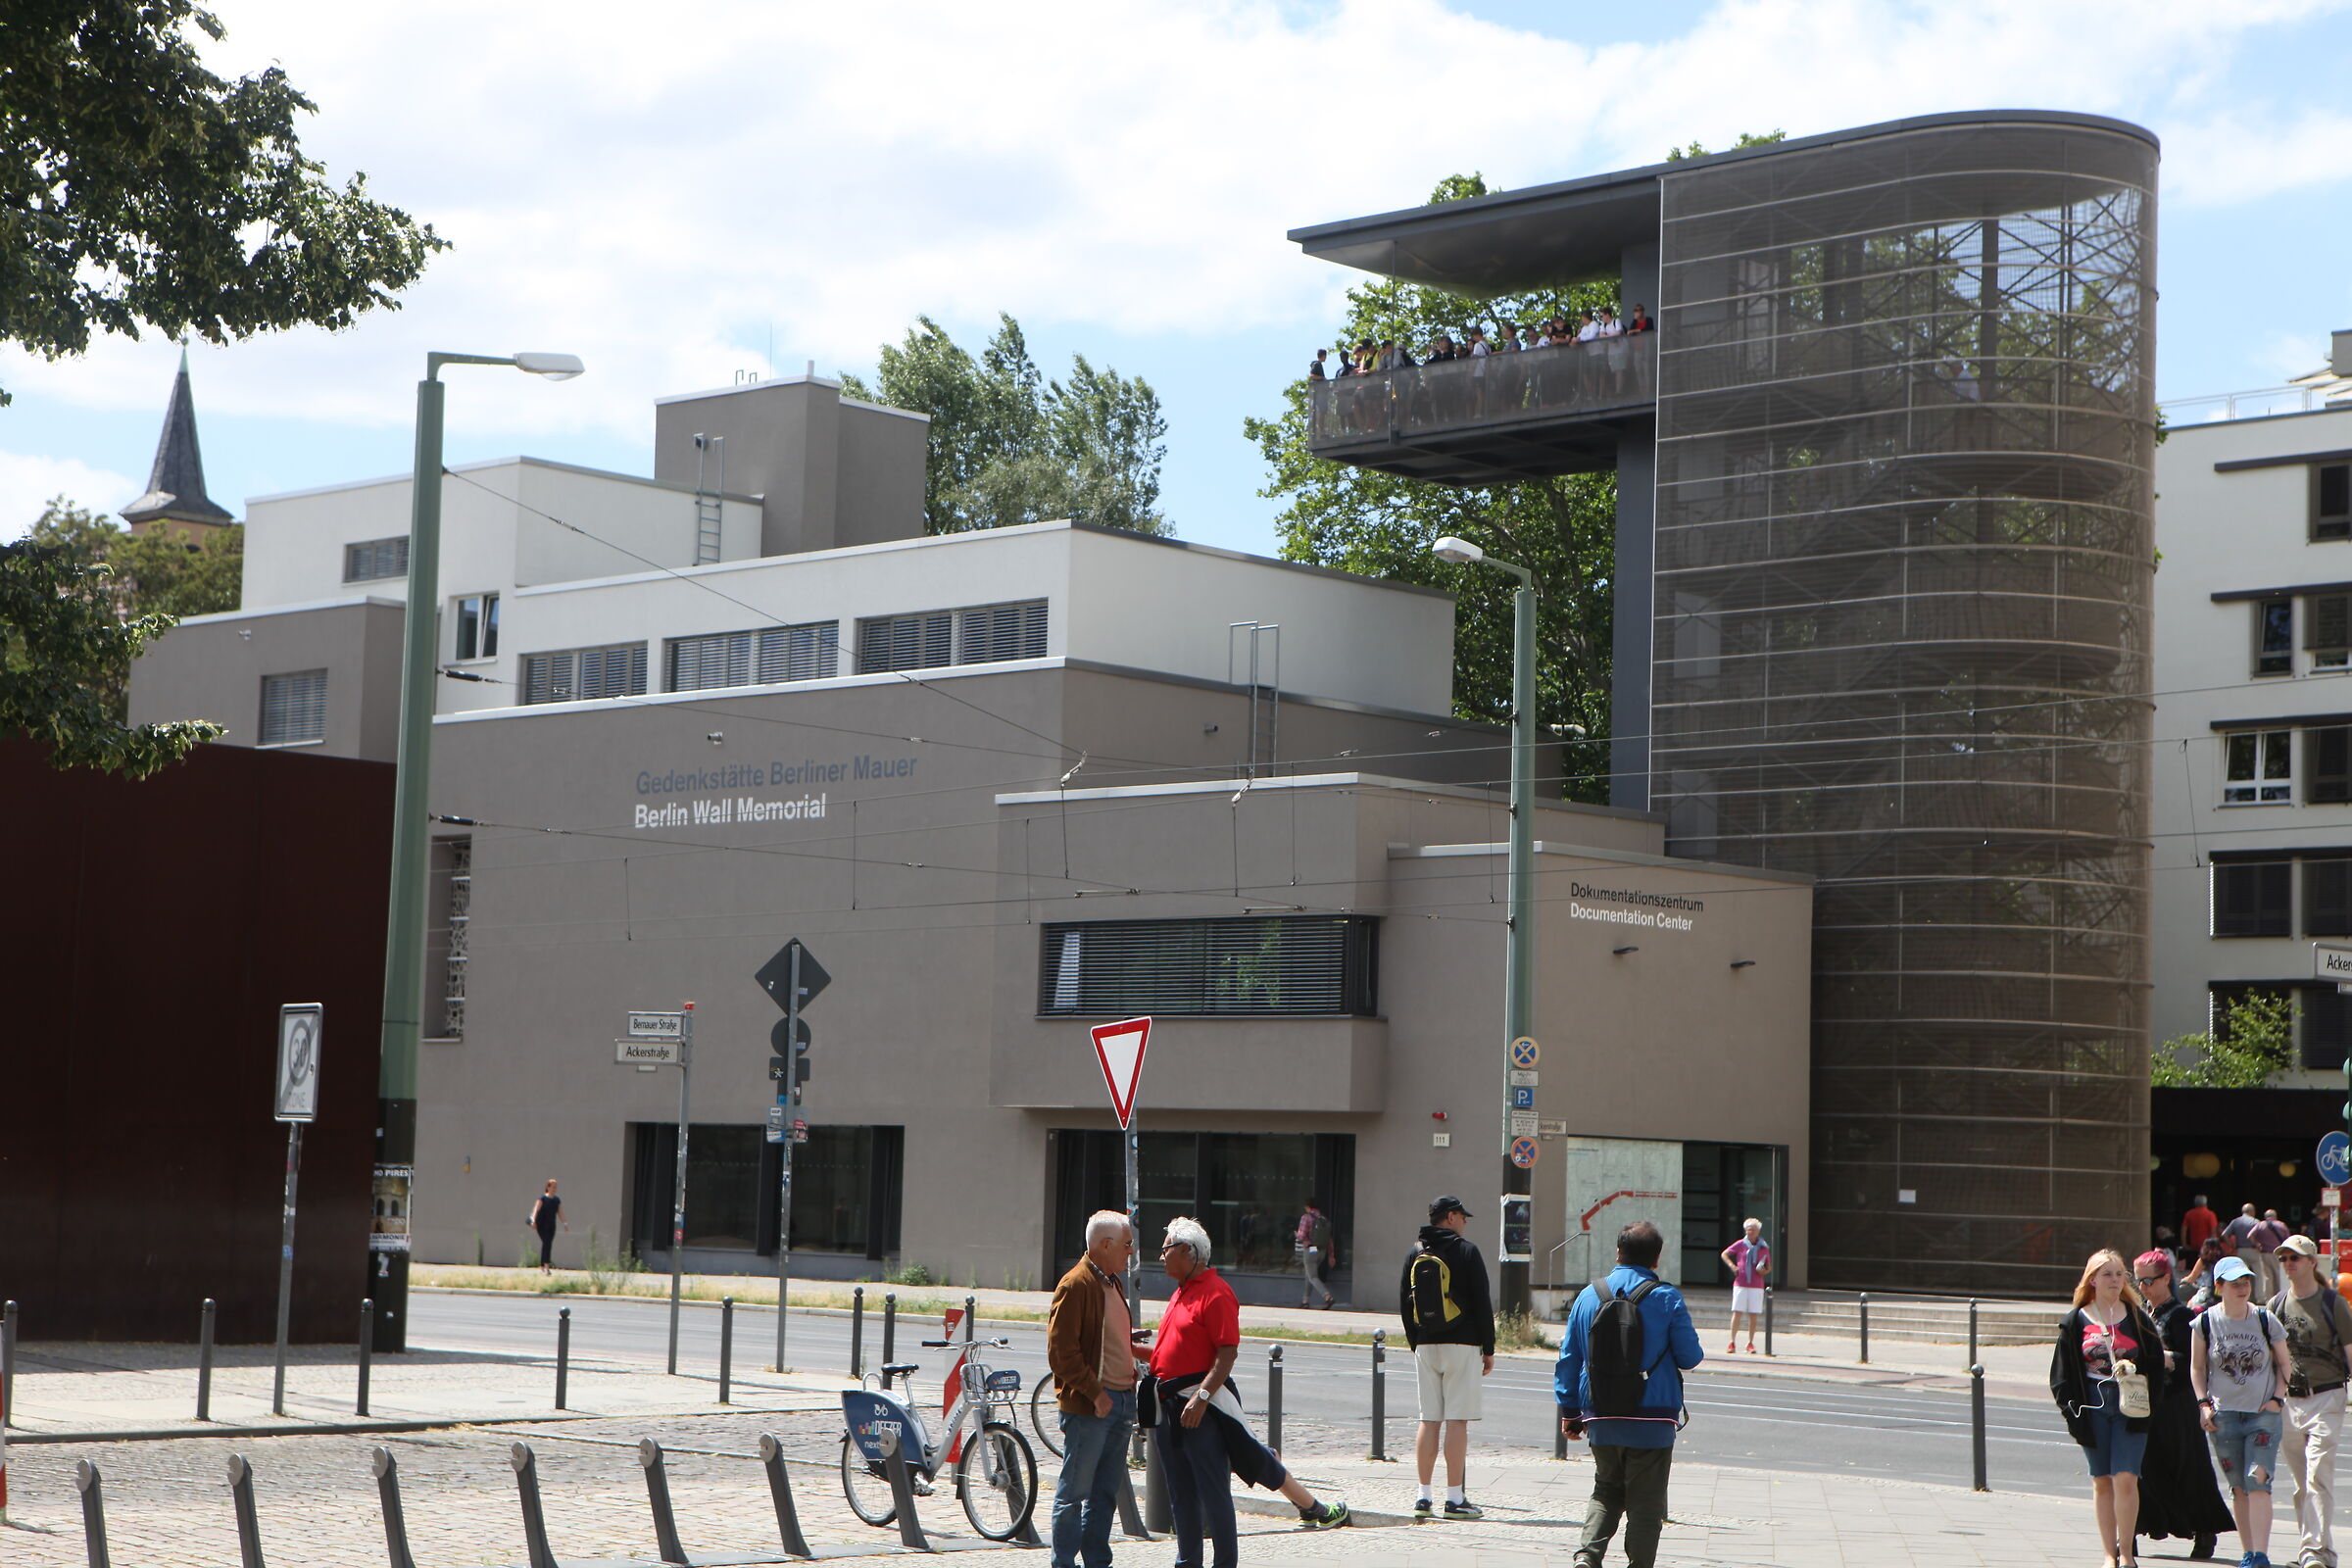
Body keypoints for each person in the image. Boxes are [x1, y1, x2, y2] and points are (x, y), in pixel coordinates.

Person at [1148, 1216, 1348, 1564]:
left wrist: (1202, 1397)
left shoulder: (1216, 1292)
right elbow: (1173, 1355)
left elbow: (1227, 1353)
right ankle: (1188, 1561)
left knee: (1213, 1494)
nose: (1161, 1256)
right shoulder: (1181, 1291)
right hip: (1169, 1408)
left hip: (1201, 1410)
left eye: (1166, 1248)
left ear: (1187, 1251)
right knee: (1180, 1493)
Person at [1554, 1221, 1703, 1568]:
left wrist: (1570, 1411)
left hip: (1601, 1414)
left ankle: (1586, 1559)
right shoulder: (1666, 1297)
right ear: (1657, 1259)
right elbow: (1690, 1357)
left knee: (1606, 1489)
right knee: (1646, 1504)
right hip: (1653, 1417)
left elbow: (1568, 1358)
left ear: (1618, 1252)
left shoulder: (1589, 1296)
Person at [2052, 1248, 2170, 1568]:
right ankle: (2108, 1554)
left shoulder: (2137, 1318)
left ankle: (2128, 1554)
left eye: (2119, 1274)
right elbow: (2061, 1377)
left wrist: (2149, 1405)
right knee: (2102, 1479)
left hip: (2131, 1406)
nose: (2115, 1280)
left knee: (2126, 1477)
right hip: (2092, 1404)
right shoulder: (2076, 1321)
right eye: (2107, 1274)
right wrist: (2073, 1413)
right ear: (2092, 1280)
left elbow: (2157, 1366)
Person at [1048, 1211, 1149, 1568]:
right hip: (1093, 1407)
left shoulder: (1112, 1281)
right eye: (1126, 1244)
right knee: (1074, 1493)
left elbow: (1102, 1337)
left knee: (1105, 1494)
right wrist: (1095, 1393)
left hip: (1121, 1401)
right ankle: (1063, 1562)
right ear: (1105, 1245)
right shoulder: (1076, 1285)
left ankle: (1096, 1562)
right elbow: (1061, 1354)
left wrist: (1130, 1348)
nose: (1131, 1251)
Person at [2192, 1256, 2292, 1568]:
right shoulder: (2205, 1322)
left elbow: (2285, 1363)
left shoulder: (2264, 1319)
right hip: (2223, 1415)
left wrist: (2277, 1398)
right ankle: (2248, 1552)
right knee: (2238, 1487)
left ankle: (2261, 1554)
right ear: (2218, 1286)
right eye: (2235, 1283)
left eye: (2246, 1282)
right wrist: (2203, 1404)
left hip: (2262, 1413)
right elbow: (2197, 1369)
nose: (2242, 1288)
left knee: (2258, 1479)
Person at [2132, 1250, 2232, 1560]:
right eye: (2139, 1281)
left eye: (2150, 1280)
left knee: (2187, 1467)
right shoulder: (2143, 1313)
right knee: (2142, 1468)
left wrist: (2161, 1359)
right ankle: (2132, 1530)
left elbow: (2194, 1362)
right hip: (2146, 1402)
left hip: (2177, 1405)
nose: (2144, 1287)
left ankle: (2205, 1531)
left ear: (2166, 1278)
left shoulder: (2181, 1315)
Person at [1399, 1196, 1495, 1517]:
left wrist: (1417, 1341)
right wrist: (1488, 1347)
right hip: (1463, 1344)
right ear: (1451, 1217)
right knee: (1457, 1420)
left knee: (1429, 1419)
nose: (1466, 1222)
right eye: (1463, 1216)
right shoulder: (1467, 1251)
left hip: (1426, 1344)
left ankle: (1423, 1496)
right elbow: (1482, 1301)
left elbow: (1403, 1301)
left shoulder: (1415, 1251)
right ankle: (1454, 1498)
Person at [2272, 1235, 2351, 1568]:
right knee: (2302, 1482)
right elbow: (2271, 1358)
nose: (2289, 1263)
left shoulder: (2334, 1303)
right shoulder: (2275, 1305)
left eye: (2296, 1257)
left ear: (2311, 1262)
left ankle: (2313, 1551)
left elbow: (2350, 1352)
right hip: (2290, 1401)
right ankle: (2320, 1552)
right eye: (2284, 1258)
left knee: (2319, 1474)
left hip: (2327, 1395)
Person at [1718, 1218, 1770, 1353]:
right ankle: (1732, 1342)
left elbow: (1768, 1267)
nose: (1750, 1232)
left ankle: (1750, 1343)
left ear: (1758, 1231)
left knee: (1753, 1314)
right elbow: (1725, 1254)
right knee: (1737, 1312)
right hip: (1740, 1283)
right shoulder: (1740, 1244)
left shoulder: (1764, 1247)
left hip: (1757, 1284)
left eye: (1753, 1230)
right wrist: (1732, 1266)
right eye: (1748, 1230)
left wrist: (1763, 1271)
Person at [1295, 1200, 1336, 1309]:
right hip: (1322, 1251)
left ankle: (1328, 1297)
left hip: (1311, 1249)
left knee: (1312, 1276)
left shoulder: (1306, 1217)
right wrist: (1331, 1255)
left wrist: (1296, 1234)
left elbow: (1302, 1236)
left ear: (1308, 1207)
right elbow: (1329, 1239)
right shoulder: (1323, 1219)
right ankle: (1305, 1300)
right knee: (1309, 1275)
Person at [527, 1178, 566, 1274]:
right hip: (541, 1224)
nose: (554, 1189)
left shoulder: (557, 1200)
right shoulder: (542, 1199)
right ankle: (546, 1267)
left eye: (555, 1187)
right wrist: (532, 1221)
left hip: (551, 1225)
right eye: (553, 1187)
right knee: (547, 1243)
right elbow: (536, 1210)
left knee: (547, 1244)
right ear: (547, 1187)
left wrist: (565, 1223)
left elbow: (560, 1212)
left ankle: (542, 1267)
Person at [2253, 1211, 2293, 1299]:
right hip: (2278, 1254)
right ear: (2275, 1216)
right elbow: (2288, 1239)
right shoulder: (2281, 1225)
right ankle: (2280, 1297)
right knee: (2279, 1275)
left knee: (2267, 1277)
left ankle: (2268, 1299)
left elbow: (2250, 1236)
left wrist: (2257, 1244)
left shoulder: (2260, 1225)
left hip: (2264, 1253)